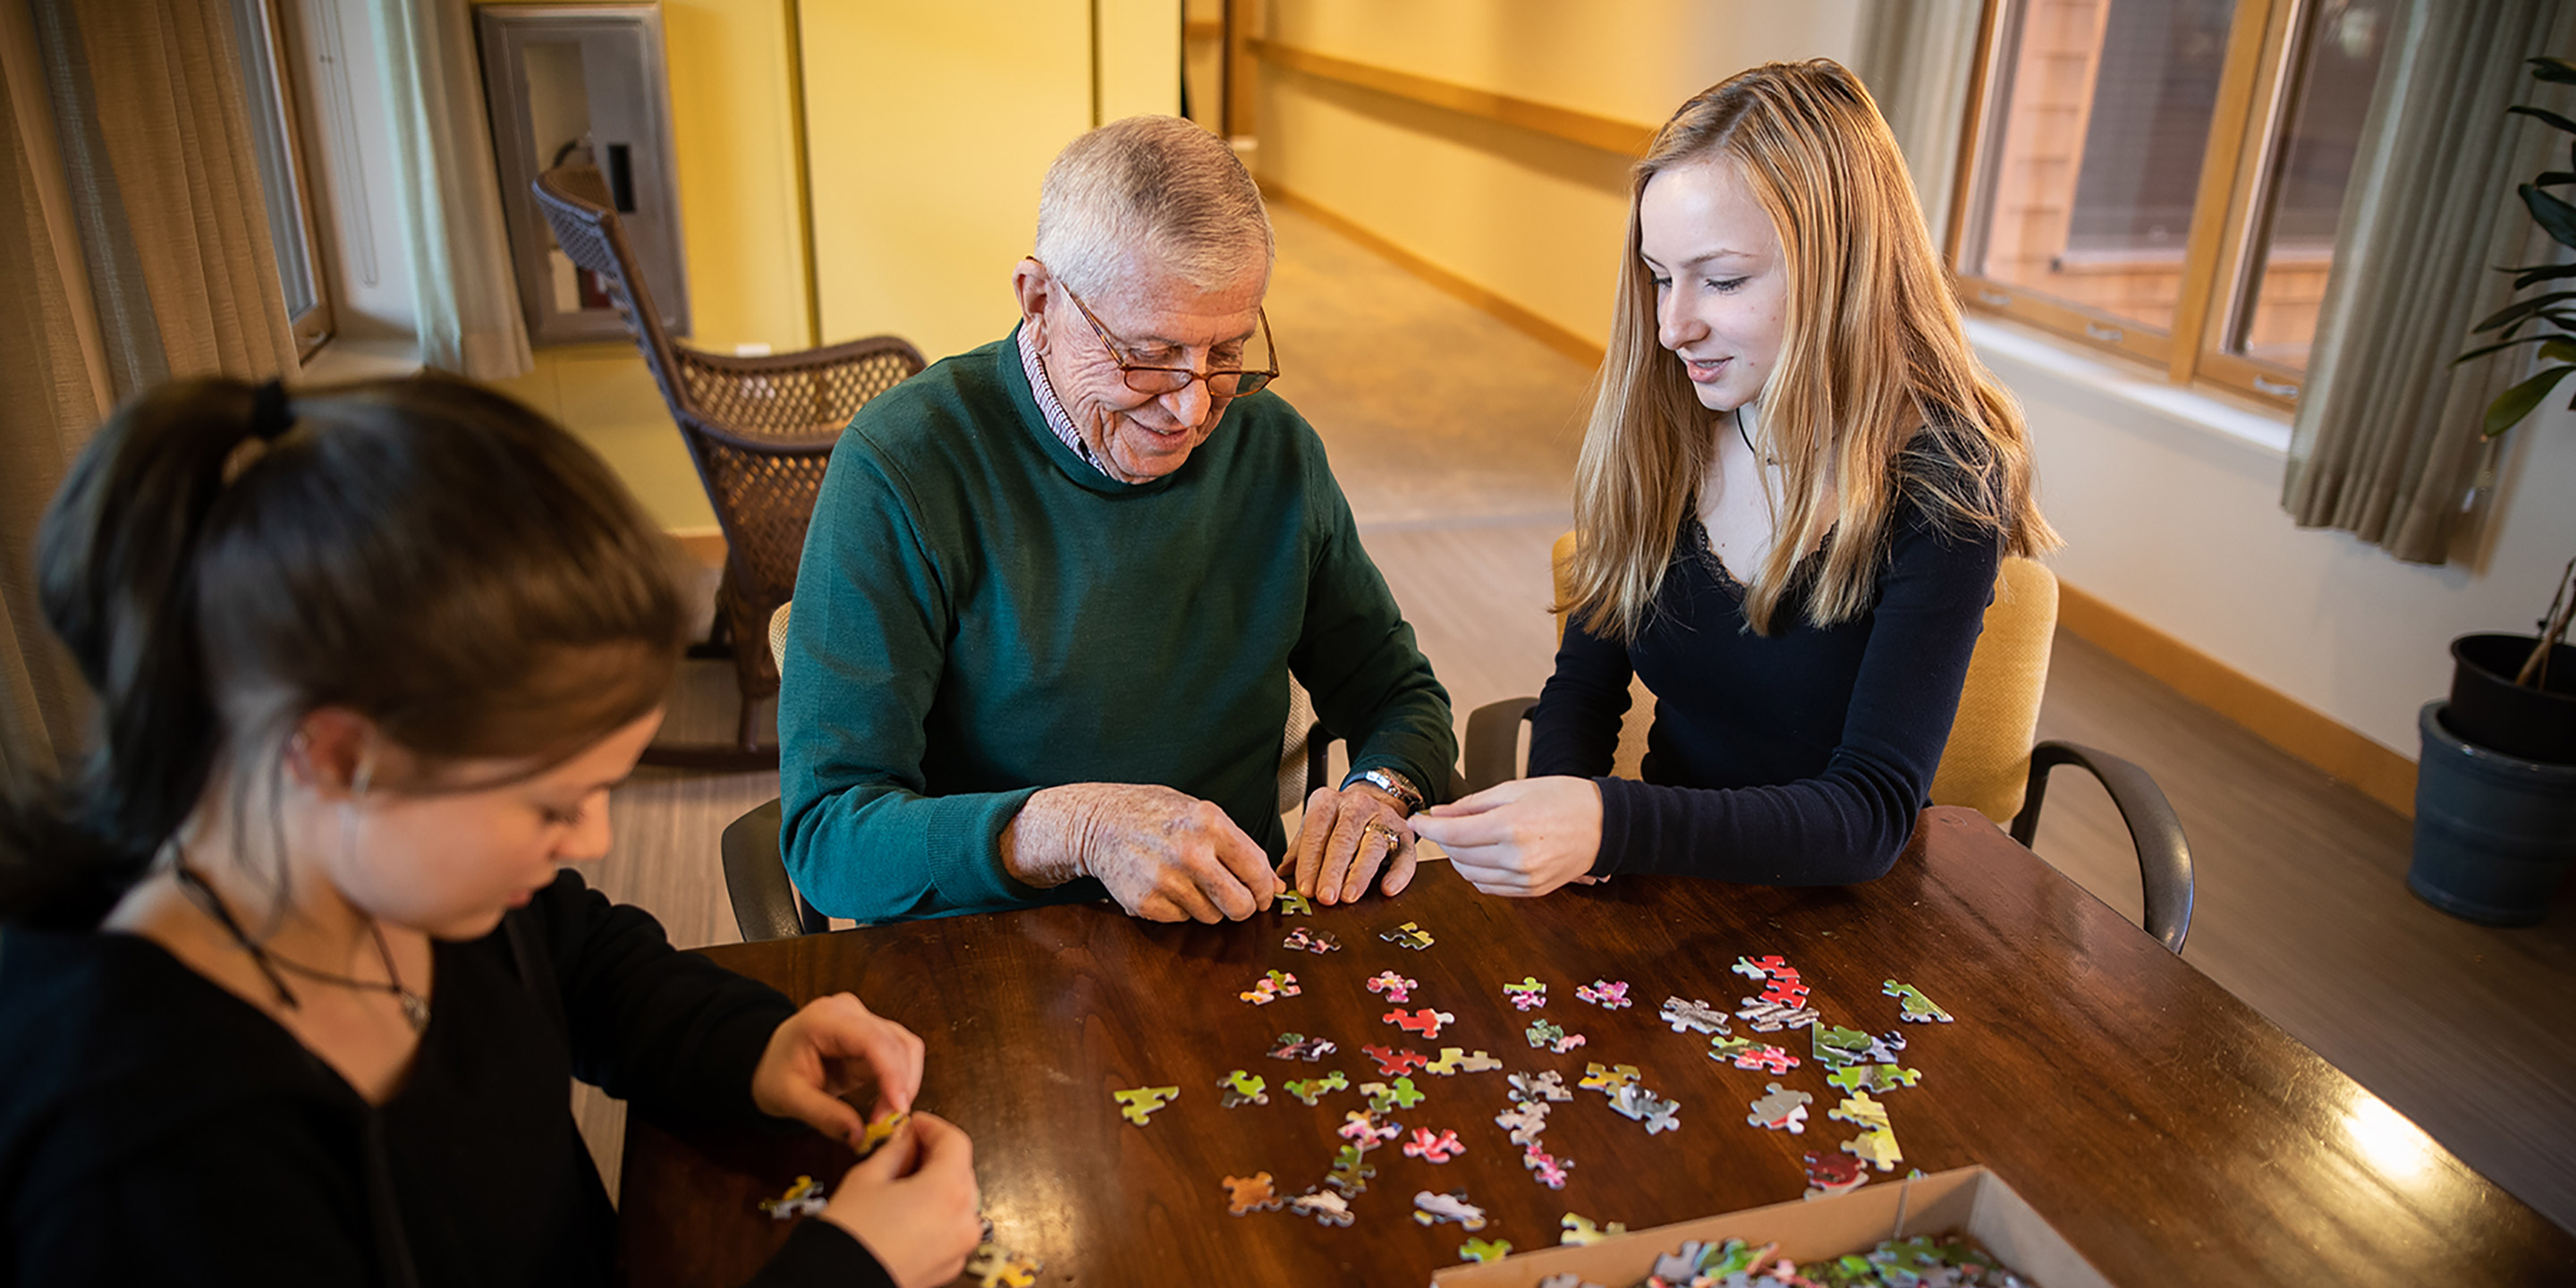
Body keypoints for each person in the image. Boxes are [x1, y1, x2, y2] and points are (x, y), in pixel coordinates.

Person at [0, 377, 986, 1287]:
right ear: (341, 757)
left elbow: (586, 963)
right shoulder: (139, 1169)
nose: (594, 838)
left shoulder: (419, 883)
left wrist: (754, 1042)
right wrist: (854, 1268)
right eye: (553, 804)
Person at [781, 115, 1455, 924]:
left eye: (1228, 352)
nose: (1192, 405)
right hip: (990, 955)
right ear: (1038, 300)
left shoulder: (1273, 449)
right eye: (1147, 355)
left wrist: (1381, 790)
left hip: (1223, 931)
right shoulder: (902, 464)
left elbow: (1400, 695)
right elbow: (830, 837)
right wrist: (1072, 829)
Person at [1412, 60, 2058, 895]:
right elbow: (1584, 687)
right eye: (1658, 277)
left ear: (1842, 271)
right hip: (1666, 882)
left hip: (1846, 908)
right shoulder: (1663, 426)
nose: (1675, 326)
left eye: (1721, 280)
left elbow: (1868, 817)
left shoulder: (1948, 478)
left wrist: (1606, 823)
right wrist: (1560, 814)